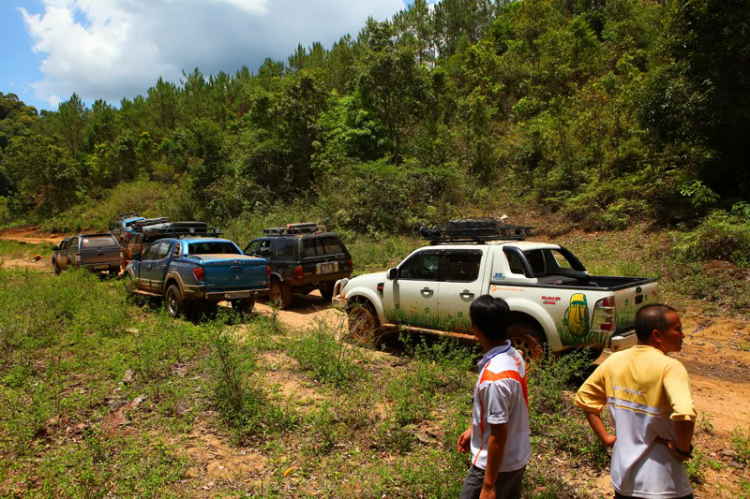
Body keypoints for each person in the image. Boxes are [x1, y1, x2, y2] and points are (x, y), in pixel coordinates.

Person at [574, 303, 697, 499]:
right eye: (678, 329)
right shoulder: (670, 367)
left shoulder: (614, 361)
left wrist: (606, 438)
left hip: (623, 480)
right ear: (657, 335)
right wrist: (682, 449)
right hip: (663, 482)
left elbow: (584, 398)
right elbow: (685, 415)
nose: (682, 335)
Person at [457, 295, 531, 499]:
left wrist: (488, 486)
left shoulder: (493, 378)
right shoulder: (514, 356)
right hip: (517, 457)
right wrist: (475, 428)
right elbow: (510, 405)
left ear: (476, 330)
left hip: (495, 466)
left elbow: (498, 436)